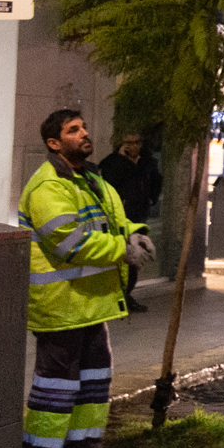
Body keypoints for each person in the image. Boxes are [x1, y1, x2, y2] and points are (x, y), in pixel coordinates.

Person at [19, 108, 156, 448]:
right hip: (63, 303)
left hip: (91, 303)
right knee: (57, 382)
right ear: (54, 142)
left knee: (94, 381)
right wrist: (121, 250)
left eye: (84, 127)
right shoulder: (49, 186)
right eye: (73, 130)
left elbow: (115, 219)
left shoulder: (90, 179)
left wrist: (134, 232)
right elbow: (70, 243)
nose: (84, 133)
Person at [98, 131, 162, 313]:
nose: (133, 146)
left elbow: (157, 181)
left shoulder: (147, 162)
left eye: (136, 142)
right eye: (128, 143)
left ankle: (126, 293)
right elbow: (108, 185)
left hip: (139, 215)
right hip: (121, 217)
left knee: (136, 257)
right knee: (124, 255)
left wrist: (152, 198)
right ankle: (120, 294)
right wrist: (122, 159)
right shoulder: (113, 163)